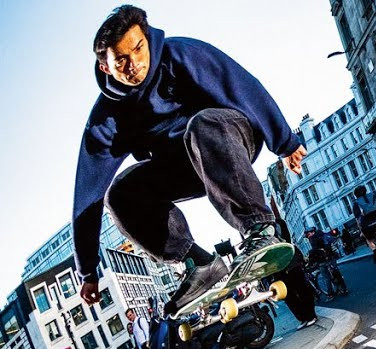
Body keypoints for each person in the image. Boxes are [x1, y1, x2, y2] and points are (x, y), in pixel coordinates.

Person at [72, 6, 307, 316]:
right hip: (183, 166)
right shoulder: (106, 118)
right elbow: (88, 193)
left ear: (147, 39)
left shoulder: (182, 54)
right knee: (119, 195)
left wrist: (285, 142)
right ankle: (198, 263)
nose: (136, 64)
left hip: (228, 139)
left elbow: (242, 87)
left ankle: (259, 230)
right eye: (122, 61)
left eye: (139, 49)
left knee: (201, 125)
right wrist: (88, 271)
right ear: (105, 67)